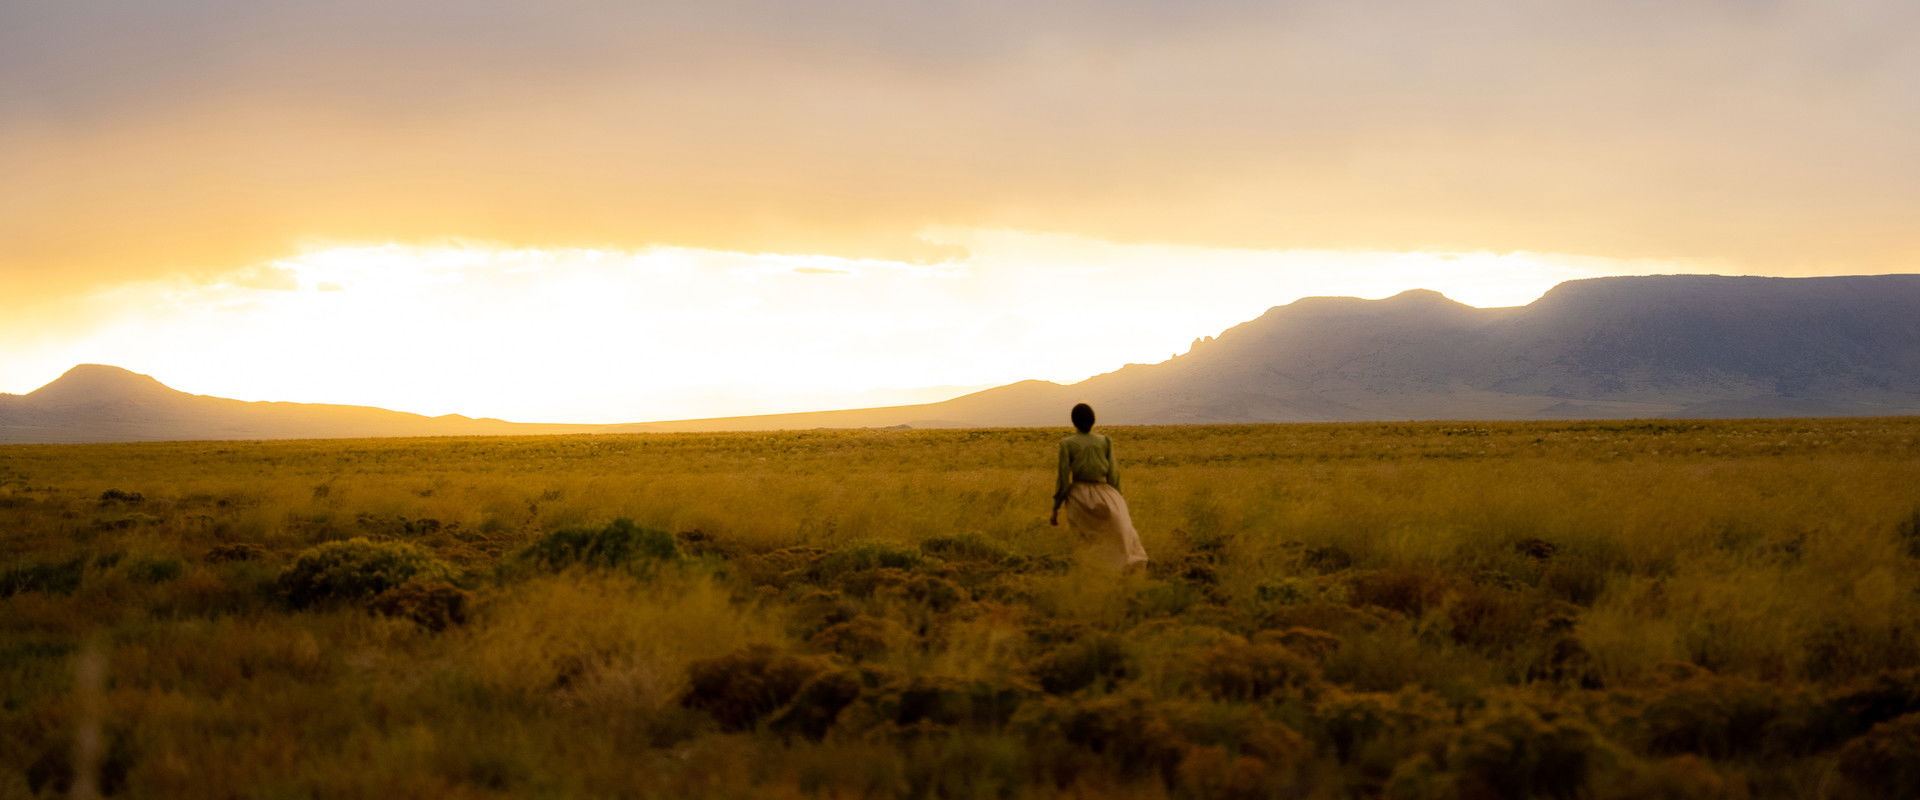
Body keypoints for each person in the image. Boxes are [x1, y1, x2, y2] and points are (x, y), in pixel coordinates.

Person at [1050, 403, 1149, 568]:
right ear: (1093, 421)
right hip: (1106, 492)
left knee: (1087, 539)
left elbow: (1063, 478)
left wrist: (1055, 508)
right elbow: (1114, 475)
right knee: (1122, 533)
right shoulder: (1105, 441)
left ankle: (1094, 570)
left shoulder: (1067, 443)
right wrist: (1118, 499)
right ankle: (1124, 568)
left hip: (1078, 496)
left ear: (1074, 422)